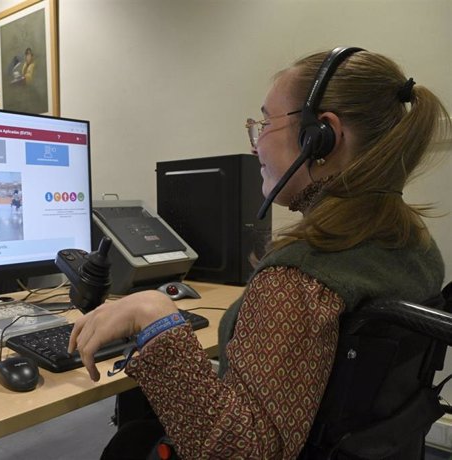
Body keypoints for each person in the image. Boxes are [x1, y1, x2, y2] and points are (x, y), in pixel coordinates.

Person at [68, 48, 450, 459]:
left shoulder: (298, 279)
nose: (255, 145)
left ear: (322, 135)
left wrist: (154, 316)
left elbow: (241, 451)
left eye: (265, 122)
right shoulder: (414, 243)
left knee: (130, 443)